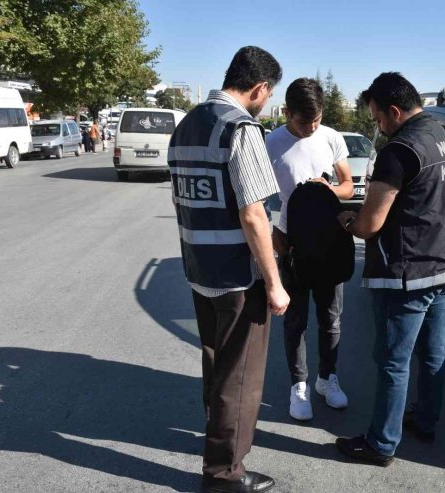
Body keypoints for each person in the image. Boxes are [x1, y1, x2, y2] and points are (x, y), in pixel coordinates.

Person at [167, 46, 287, 493]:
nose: (267, 102)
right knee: (240, 378)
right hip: (239, 276)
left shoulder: (186, 126)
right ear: (259, 88)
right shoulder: (240, 128)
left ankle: (218, 438)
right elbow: (254, 215)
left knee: (217, 367)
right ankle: (224, 475)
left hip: (200, 269)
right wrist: (274, 283)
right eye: (268, 95)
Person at [335, 72, 445, 466]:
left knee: (393, 360)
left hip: (408, 272)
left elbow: (371, 223)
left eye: (377, 119)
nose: (377, 127)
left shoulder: (400, 150)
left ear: (394, 111)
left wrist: (346, 220)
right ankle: (425, 420)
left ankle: (381, 444)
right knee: (433, 352)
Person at [265, 78, 354, 421]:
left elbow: (347, 185)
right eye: (304, 122)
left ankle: (327, 379)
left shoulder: (331, 137)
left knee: (331, 318)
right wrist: (273, 231)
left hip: (330, 242)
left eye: (317, 120)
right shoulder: (271, 143)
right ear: (287, 112)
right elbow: (256, 197)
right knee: (296, 320)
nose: (311, 127)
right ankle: (298, 385)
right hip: (291, 243)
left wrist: (329, 188)